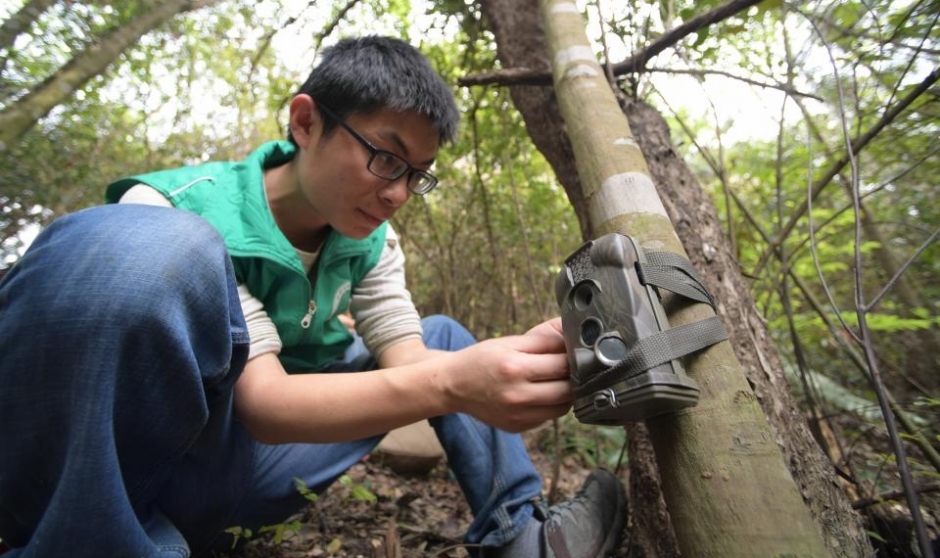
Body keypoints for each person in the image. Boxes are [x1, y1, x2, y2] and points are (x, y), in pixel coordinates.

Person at [0, 36, 626, 557]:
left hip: (250, 476)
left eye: (416, 175)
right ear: (305, 122)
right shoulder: (180, 212)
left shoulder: (372, 243)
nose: (398, 194)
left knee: (443, 338)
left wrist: (514, 368)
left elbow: (410, 361)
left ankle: (522, 536)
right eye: (387, 158)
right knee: (146, 247)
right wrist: (454, 383)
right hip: (162, 464)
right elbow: (266, 404)